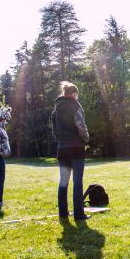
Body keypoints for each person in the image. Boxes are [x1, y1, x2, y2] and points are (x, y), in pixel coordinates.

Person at [51, 81, 90, 221]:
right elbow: (81, 126)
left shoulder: (56, 109)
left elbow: (54, 132)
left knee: (63, 182)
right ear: (74, 94)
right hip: (76, 148)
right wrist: (86, 138)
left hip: (62, 148)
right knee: (77, 181)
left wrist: (61, 140)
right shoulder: (75, 106)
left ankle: (63, 213)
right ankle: (79, 214)